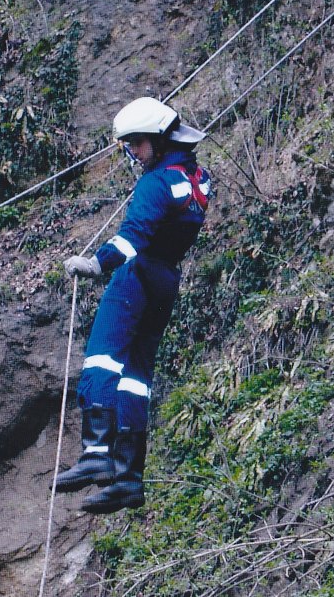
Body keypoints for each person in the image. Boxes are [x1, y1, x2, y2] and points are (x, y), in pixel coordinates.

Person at [57, 96, 212, 514]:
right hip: (166, 282)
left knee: (102, 360)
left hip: (136, 278)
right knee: (136, 377)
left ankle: (96, 452)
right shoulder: (199, 180)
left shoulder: (155, 183)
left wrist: (95, 263)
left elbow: (132, 237)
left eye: (136, 144)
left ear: (158, 141)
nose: (131, 153)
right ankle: (128, 476)